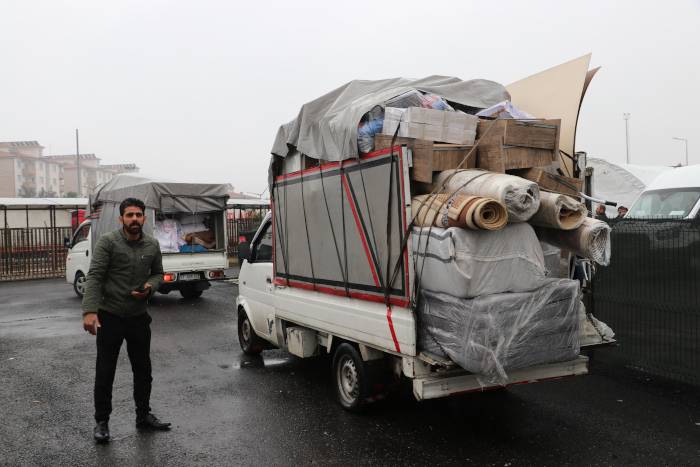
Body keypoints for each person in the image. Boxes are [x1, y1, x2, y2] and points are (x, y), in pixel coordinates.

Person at [82, 198, 170, 443]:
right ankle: (102, 421)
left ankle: (143, 416)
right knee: (105, 371)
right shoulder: (108, 243)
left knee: (143, 369)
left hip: (138, 318)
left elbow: (158, 274)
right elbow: (96, 276)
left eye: (138, 215)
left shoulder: (152, 245)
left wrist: (149, 288)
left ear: (143, 218)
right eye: (129, 215)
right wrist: (89, 311)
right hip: (109, 316)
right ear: (121, 218)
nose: (134, 219)